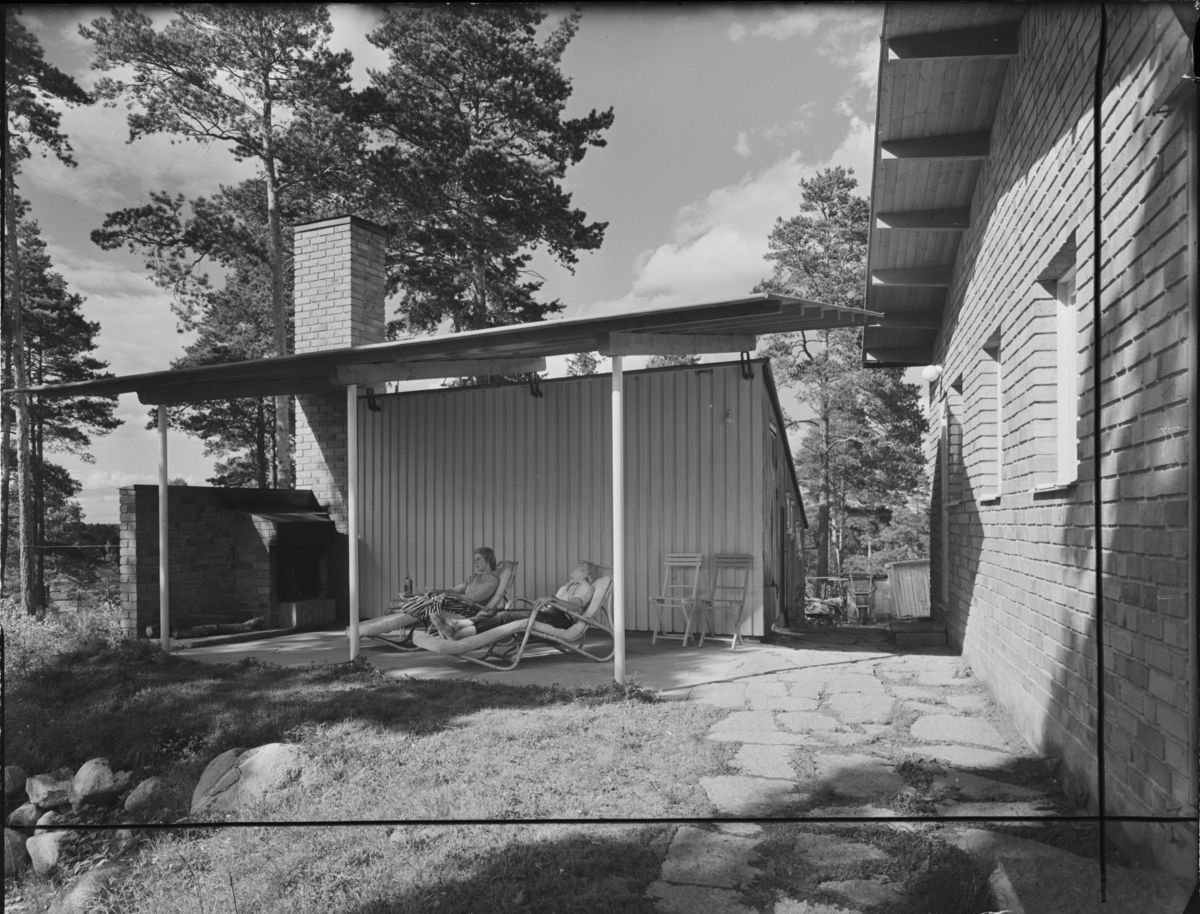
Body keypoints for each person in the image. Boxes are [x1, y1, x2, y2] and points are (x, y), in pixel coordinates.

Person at [430, 561, 598, 640]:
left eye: (578, 566)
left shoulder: (586, 588)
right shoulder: (569, 586)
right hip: (546, 613)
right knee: (497, 612)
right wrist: (551, 600)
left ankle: (459, 634)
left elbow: (574, 607)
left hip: (559, 619)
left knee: (504, 617)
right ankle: (456, 625)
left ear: (585, 572)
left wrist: (551, 599)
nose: (574, 567)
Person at [381, 547, 502, 633]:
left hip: (470, 608)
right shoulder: (474, 577)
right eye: (474, 560)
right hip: (458, 603)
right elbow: (458, 589)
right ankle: (402, 607)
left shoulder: (493, 581)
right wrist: (442, 591)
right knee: (434, 598)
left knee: (436, 602)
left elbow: (476, 597)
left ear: (488, 560)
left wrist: (448, 595)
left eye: (478, 559)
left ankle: (401, 607)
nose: (475, 563)